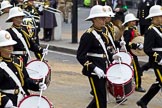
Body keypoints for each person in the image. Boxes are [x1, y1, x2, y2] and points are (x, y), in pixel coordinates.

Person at [77, 5, 121, 108]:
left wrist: (112, 57)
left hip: (103, 66)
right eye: (101, 18)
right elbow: (80, 56)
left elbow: (103, 50)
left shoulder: (103, 31)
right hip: (94, 70)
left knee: (99, 96)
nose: (104, 20)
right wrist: (94, 68)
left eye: (104, 18)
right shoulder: (88, 35)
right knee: (101, 100)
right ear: (94, 19)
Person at [0, 30, 47, 107]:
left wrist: (37, 85)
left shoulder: (17, 60)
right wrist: (5, 102)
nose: (10, 47)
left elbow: (26, 80)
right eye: (6, 45)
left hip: (22, 98)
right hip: (7, 102)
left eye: (11, 45)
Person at [136, 5, 162, 108]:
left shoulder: (159, 28)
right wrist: (159, 58)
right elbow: (147, 49)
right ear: (154, 17)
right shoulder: (150, 31)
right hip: (158, 62)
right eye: (160, 16)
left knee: (158, 83)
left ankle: (143, 101)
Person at [122, 13, 146, 93]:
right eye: (132, 21)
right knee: (136, 69)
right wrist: (136, 45)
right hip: (130, 53)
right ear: (128, 22)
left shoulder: (134, 28)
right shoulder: (127, 31)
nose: (134, 22)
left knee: (136, 69)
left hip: (134, 52)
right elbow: (126, 42)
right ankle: (137, 86)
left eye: (134, 21)